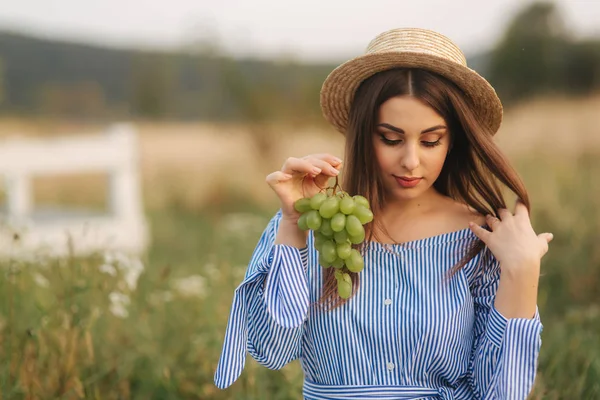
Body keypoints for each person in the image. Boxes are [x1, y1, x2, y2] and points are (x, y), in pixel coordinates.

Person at [214, 27, 553, 400]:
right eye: (390, 139)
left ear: (453, 139)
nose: (410, 161)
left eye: (430, 141)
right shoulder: (318, 223)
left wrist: (522, 273)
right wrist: (293, 226)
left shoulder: (483, 238)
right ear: (363, 133)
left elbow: (501, 394)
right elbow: (273, 352)